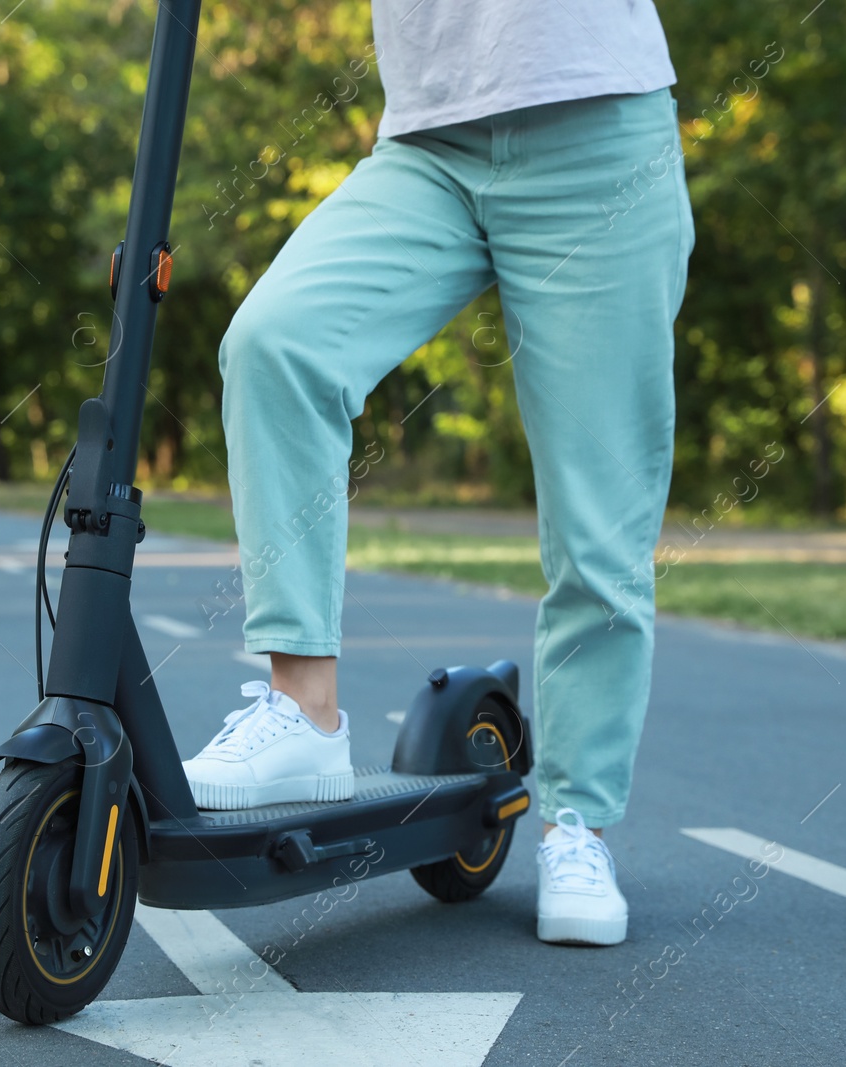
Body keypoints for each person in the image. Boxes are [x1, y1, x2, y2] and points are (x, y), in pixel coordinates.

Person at [181, 0, 692, 946]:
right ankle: (303, 708)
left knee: (598, 515)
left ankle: (576, 822)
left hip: (598, 123)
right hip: (428, 141)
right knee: (275, 345)